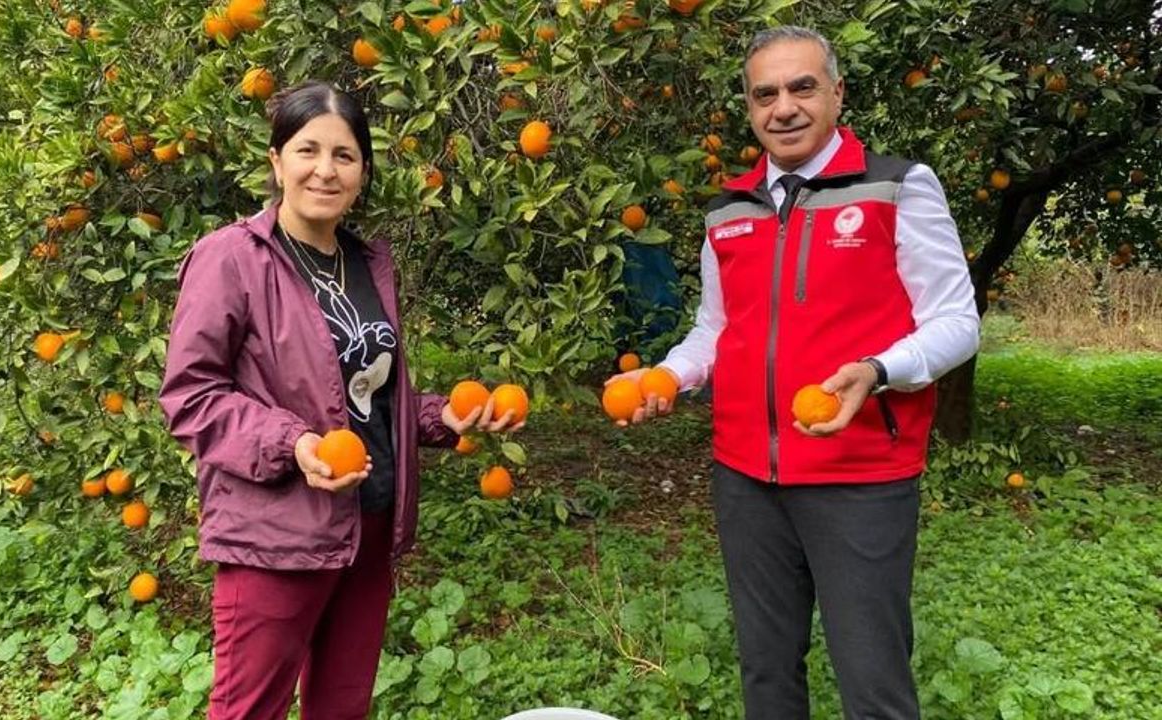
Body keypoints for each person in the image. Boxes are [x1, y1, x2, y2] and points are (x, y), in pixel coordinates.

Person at [609, 26, 980, 720]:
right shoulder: (729, 208)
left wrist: (877, 369)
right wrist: (664, 377)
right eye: (765, 94)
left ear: (837, 93)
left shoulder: (896, 187)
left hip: (859, 474)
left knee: (873, 680)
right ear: (749, 109)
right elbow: (714, 330)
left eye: (802, 87)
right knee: (768, 672)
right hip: (746, 478)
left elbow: (957, 322)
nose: (784, 107)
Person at [159, 80, 520, 720]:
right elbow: (191, 396)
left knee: (342, 706)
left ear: (363, 172)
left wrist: (442, 417)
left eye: (344, 155)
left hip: (368, 522)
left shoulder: (366, 263)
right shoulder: (231, 260)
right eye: (307, 150)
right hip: (274, 535)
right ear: (276, 161)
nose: (325, 170)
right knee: (250, 710)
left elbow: (368, 397)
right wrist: (292, 444)